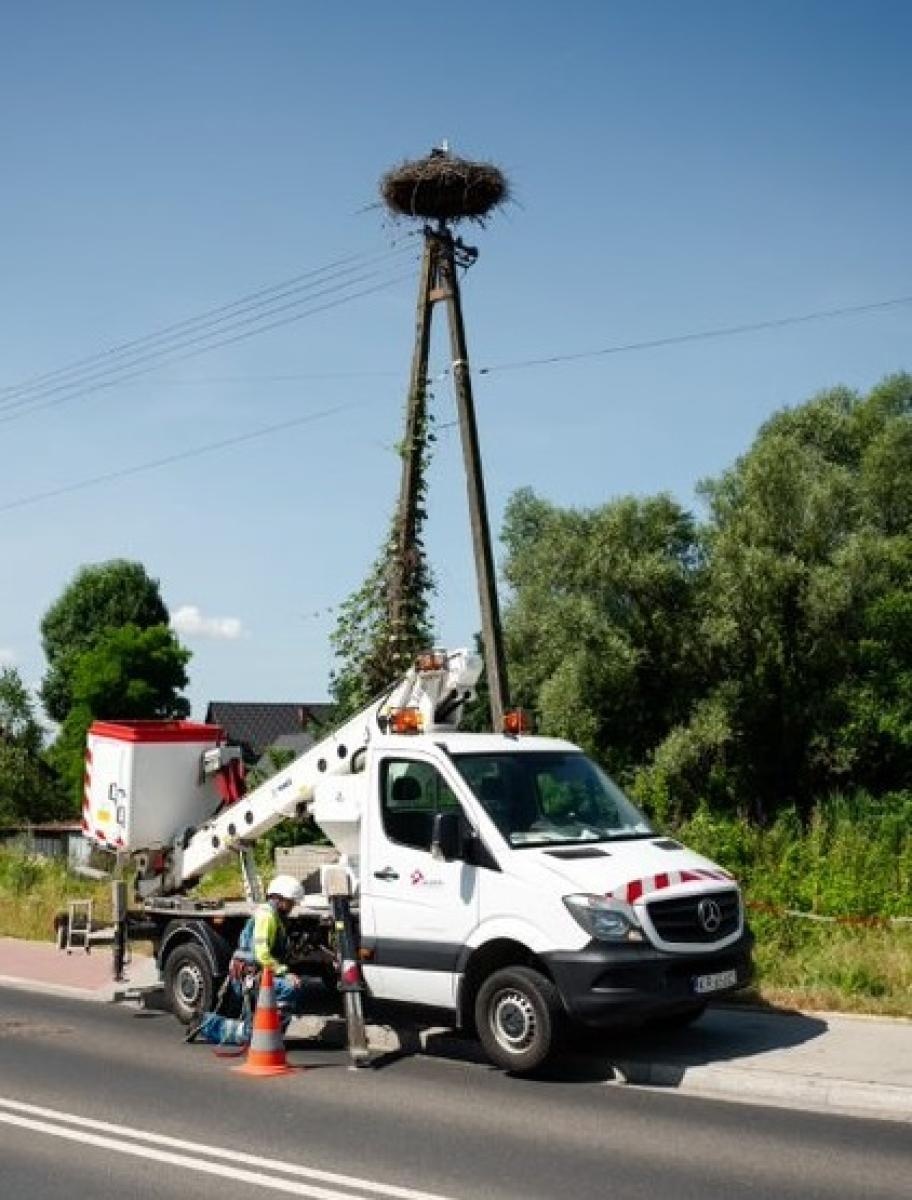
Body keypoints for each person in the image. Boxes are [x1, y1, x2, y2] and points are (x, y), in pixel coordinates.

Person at [185, 874, 308, 1045]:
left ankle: (269, 1034)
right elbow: (261, 954)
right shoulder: (267, 917)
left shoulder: (274, 917)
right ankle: (204, 1024)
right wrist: (283, 973)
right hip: (248, 975)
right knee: (286, 991)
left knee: (258, 1029)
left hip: (255, 973)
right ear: (279, 899)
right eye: (291, 902)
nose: (292, 906)